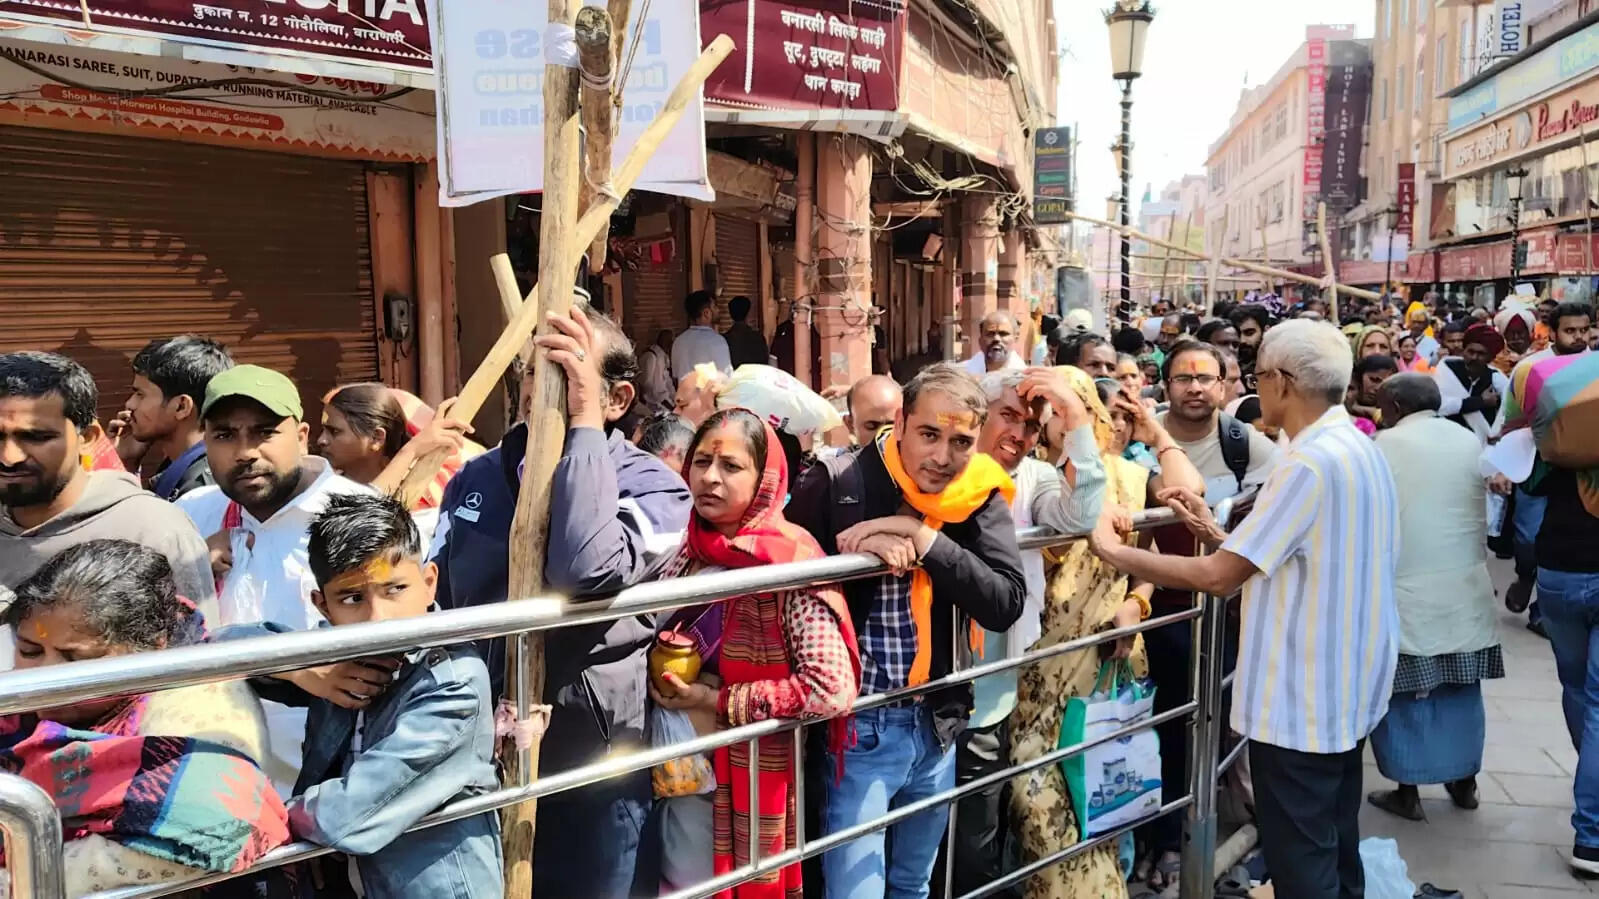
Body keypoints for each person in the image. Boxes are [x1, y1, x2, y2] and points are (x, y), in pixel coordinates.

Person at [1088, 319, 1399, 899]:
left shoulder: (1307, 464)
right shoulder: (1354, 445)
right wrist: (1213, 532)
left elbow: (1219, 578)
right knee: (1334, 846)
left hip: (1304, 704)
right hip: (1345, 692)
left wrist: (1111, 548)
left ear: (1281, 381)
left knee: (1303, 862)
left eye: (1254, 375)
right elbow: (1277, 555)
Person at [430, 305, 691, 899]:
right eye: (531, 373)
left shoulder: (655, 485)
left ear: (618, 398)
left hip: (594, 758)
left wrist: (583, 428)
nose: (537, 391)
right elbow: (437, 598)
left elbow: (585, 568)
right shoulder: (473, 481)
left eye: (566, 372)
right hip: (478, 751)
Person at [787, 362, 1026, 899]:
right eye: (928, 435)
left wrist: (923, 538)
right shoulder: (838, 479)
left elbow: (1004, 601)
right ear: (899, 421)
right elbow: (786, 577)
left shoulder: (976, 492)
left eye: (961, 441)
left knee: (913, 886)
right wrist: (847, 556)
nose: (943, 457)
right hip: (860, 726)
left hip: (937, 724)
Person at [222, 494, 502, 899]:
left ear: (428, 584)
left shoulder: (453, 684)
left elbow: (344, 815)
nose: (378, 618)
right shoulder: (333, 657)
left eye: (395, 590)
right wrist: (306, 671)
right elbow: (221, 647)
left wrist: (271, 816)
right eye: (353, 598)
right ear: (323, 606)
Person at [648, 409, 861, 897]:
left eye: (731, 467)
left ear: (765, 477)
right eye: (701, 462)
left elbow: (830, 689)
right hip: (677, 771)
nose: (709, 478)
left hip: (744, 773)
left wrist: (716, 702)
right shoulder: (688, 548)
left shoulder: (790, 561)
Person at [0, 539, 286, 898]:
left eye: (74, 659)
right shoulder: (15, 711)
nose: (44, 675)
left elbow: (212, 829)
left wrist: (18, 879)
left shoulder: (203, 701)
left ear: (153, 645)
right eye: (29, 651)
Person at [945, 367, 1106, 896]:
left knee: (977, 824)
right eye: (1008, 416)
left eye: (1033, 425)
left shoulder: (1032, 479)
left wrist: (1075, 417)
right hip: (920, 679)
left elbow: (1080, 516)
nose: (1019, 433)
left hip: (989, 685)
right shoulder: (937, 466)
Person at [177, 363, 373, 795]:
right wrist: (189, 566)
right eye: (225, 435)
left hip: (331, 783)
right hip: (216, 779)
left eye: (264, 432)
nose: (245, 452)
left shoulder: (359, 515)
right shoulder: (192, 515)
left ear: (302, 437)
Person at [1010, 367, 1161, 899]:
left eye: (1070, 408)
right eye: (1043, 412)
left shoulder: (1127, 477)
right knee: (1037, 800)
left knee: (1106, 790)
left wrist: (1136, 603)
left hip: (1107, 661)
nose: (1049, 420)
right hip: (1038, 673)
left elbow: (1152, 558)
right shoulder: (1029, 481)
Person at [0, 351, 216, 669]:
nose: (9, 456)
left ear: (87, 439)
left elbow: (196, 671)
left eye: (35, 437)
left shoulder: (151, 530)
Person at [1366, 375, 1504, 822]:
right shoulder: (1466, 440)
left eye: (1384, 403)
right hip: (1465, 588)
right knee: (1462, 693)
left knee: (1404, 695)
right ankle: (1465, 783)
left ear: (1399, 404)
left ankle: (1407, 791)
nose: (1380, 411)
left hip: (1406, 590)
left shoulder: (1384, 446)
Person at [316, 383, 481, 540]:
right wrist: (412, 450)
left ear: (376, 438)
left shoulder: (427, 497)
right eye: (323, 430)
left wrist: (413, 450)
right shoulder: (319, 492)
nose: (321, 440)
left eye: (334, 431)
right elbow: (361, 520)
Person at [108, 335, 234, 499]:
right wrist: (127, 464)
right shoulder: (179, 465)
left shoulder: (201, 491)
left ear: (181, 407)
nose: (130, 404)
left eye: (140, 395)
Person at [1434, 323, 1509, 444]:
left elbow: (1507, 410)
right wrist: (1480, 402)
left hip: (1483, 445)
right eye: (1470, 352)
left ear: (1490, 358)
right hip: (1447, 441)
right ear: (1464, 351)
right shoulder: (1447, 370)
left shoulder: (1496, 379)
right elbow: (1440, 406)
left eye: (1481, 354)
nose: (1474, 357)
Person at [673, 289, 733, 381]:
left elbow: (675, 376)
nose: (718, 310)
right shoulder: (717, 341)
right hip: (709, 395)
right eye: (715, 306)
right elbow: (725, 378)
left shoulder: (678, 342)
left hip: (683, 395)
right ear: (706, 313)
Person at [841, 374, 903, 448]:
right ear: (851, 425)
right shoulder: (841, 459)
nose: (883, 438)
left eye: (891, 426)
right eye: (872, 426)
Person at [1347, 354, 1399, 434]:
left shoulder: (1395, 413)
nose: (1378, 388)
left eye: (1386, 384)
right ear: (1358, 378)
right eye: (1374, 380)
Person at [962, 310, 1026, 375]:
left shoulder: (1025, 377)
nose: (996, 338)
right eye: (990, 334)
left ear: (1015, 338)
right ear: (980, 340)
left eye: (1003, 334)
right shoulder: (962, 374)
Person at [724, 295, 770, 369]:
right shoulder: (758, 338)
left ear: (730, 314)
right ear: (748, 313)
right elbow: (765, 363)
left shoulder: (724, 340)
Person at [639, 329, 676, 413]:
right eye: (669, 341)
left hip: (664, 402)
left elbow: (667, 380)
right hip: (654, 405)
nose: (671, 344)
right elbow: (649, 387)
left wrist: (674, 398)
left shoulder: (663, 356)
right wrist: (668, 404)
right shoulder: (650, 356)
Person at [1493, 303, 1536, 374]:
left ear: (1528, 333)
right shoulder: (1495, 356)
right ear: (1504, 334)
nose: (1516, 337)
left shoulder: (1541, 353)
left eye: (1520, 332)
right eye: (1511, 333)